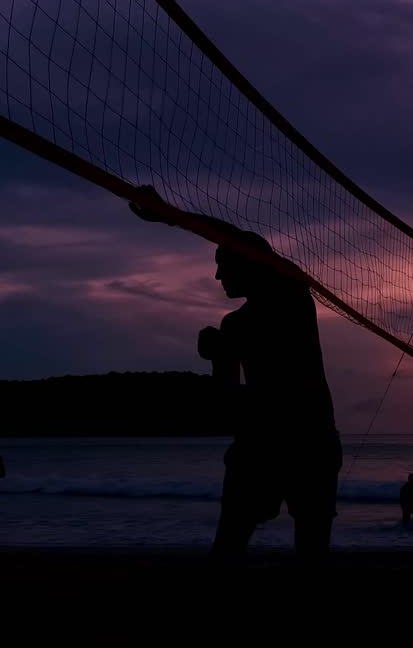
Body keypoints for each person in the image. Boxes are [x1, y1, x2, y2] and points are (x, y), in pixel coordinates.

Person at [130, 186, 342, 562]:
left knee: (307, 551)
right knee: (232, 545)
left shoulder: (292, 293)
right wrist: (217, 356)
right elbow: (225, 403)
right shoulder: (235, 325)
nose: (216, 275)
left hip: (305, 439)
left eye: (223, 263)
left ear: (248, 262)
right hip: (267, 442)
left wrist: (170, 214)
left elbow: (231, 235)